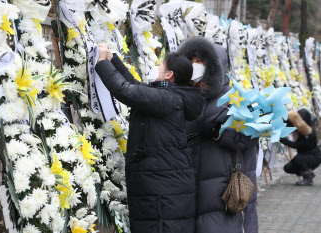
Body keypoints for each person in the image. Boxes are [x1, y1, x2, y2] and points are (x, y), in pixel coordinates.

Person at [95, 46, 205, 233]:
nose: (156, 67)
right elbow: (135, 86)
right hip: (162, 190)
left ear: (169, 74)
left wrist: (101, 63)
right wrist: (112, 59)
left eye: (160, 65)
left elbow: (125, 90)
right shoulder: (169, 96)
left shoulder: (166, 99)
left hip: (161, 194)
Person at [177, 37, 259, 233]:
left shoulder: (235, 99)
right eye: (192, 61)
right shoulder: (181, 98)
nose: (195, 66)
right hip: (185, 198)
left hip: (221, 201)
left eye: (201, 61)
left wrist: (221, 131)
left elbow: (249, 143)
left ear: (215, 65)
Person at [280, 109, 321, 186]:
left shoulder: (309, 134)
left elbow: (296, 145)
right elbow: (288, 122)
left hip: (314, 157)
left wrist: (281, 139)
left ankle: (308, 178)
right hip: (304, 156)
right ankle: (308, 173)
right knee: (288, 168)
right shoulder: (299, 126)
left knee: (299, 159)